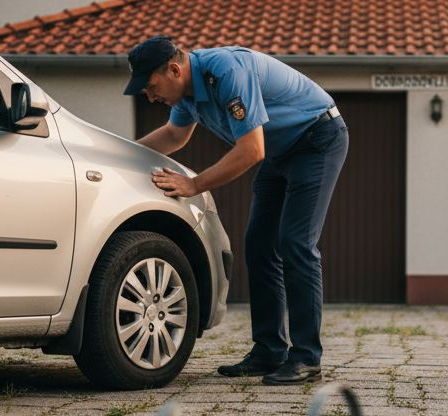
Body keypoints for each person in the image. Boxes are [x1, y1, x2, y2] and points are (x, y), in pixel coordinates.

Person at [124, 36, 347, 385]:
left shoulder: (226, 71)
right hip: (278, 151)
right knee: (259, 245)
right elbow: (174, 135)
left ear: (174, 69)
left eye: (151, 87)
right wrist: (120, 155)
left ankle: (306, 358)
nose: (150, 97)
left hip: (316, 139)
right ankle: (269, 350)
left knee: (295, 243)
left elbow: (251, 151)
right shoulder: (187, 91)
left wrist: (194, 185)